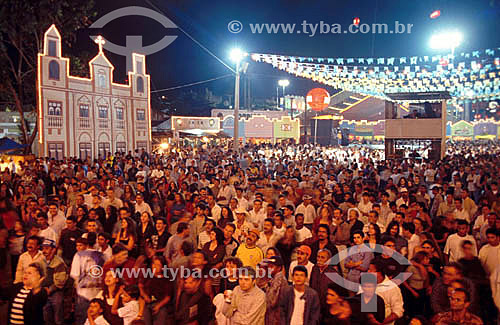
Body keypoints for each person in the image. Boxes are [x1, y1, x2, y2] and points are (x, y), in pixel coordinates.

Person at [71, 237, 105, 325]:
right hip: (98, 293)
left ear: (86, 245)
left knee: (82, 320)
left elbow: (75, 274)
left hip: (83, 293)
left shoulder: (78, 255)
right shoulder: (102, 255)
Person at [137, 256, 174, 325]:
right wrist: (144, 295)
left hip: (161, 305)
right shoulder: (148, 275)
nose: (154, 266)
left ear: (163, 268)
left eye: (158, 265)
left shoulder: (167, 279)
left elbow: (168, 297)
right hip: (148, 302)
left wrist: (158, 306)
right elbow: (140, 285)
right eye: (154, 264)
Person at [41, 238, 68, 325]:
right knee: (45, 316)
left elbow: (60, 281)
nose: (44, 251)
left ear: (53, 250)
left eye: (47, 248)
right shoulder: (40, 261)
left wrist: (49, 290)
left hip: (56, 291)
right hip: (43, 291)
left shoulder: (59, 262)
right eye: (43, 248)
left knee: (58, 318)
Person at [260, 255, 288, 325]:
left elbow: (271, 302)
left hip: (276, 318)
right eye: (268, 266)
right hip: (274, 317)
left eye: (272, 266)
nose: (269, 268)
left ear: (279, 268)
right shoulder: (274, 278)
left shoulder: (279, 279)